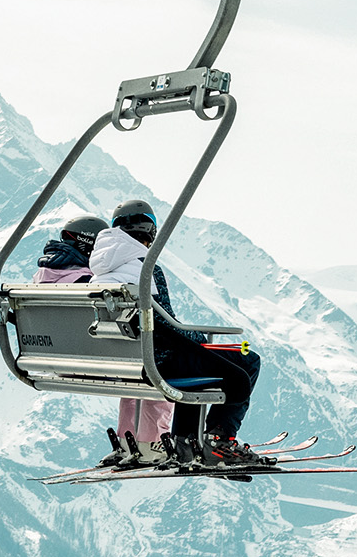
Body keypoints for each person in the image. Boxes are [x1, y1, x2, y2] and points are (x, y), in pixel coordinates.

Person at [88, 197, 265, 464]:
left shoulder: (99, 273)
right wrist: (200, 341)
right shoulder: (145, 269)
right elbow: (169, 326)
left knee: (196, 361)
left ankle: (186, 443)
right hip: (157, 361)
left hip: (123, 362)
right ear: (151, 232)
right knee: (248, 360)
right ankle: (219, 440)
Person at [33, 217, 173, 464]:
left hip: (57, 359)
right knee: (155, 368)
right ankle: (151, 442)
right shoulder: (88, 280)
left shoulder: (41, 277)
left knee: (134, 368)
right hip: (99, 359)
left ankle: (127, 442)